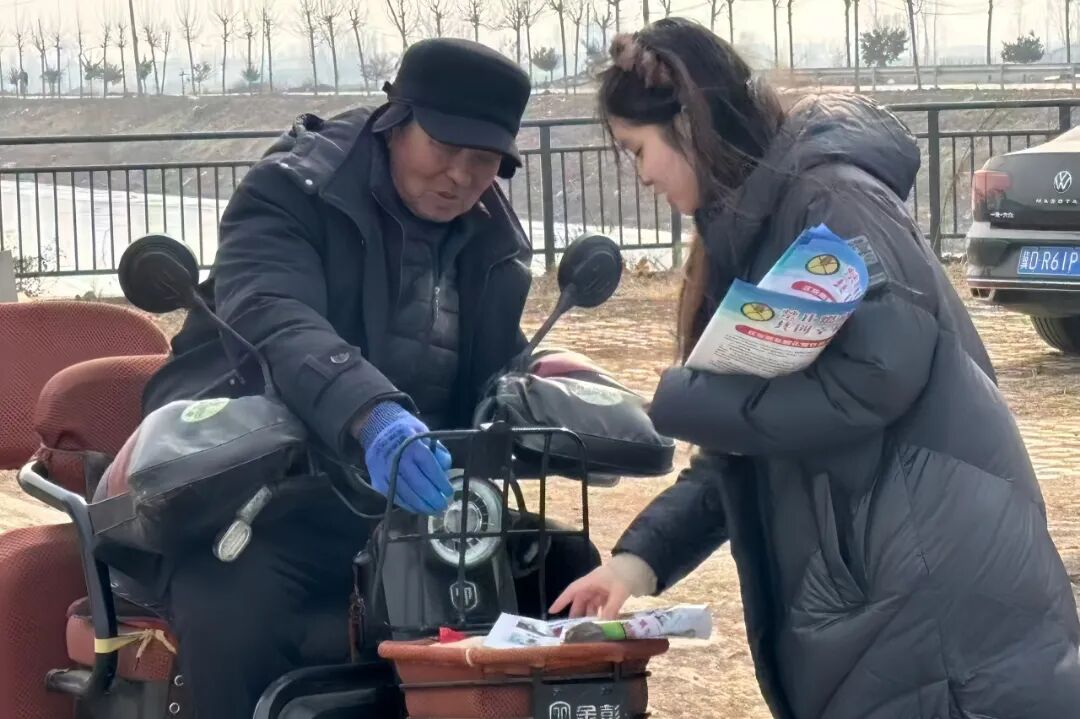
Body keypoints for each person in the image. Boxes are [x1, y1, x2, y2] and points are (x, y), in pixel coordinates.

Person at [552, 18, 1080, 719]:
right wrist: (637, 561)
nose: (643, 175)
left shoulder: (830, 200)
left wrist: (692, 402)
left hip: (932, 600)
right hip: (885, 598)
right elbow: (751, 438)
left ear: (689, 124)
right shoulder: (761, 223)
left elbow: (879, 371)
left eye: (638, 149)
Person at [135, 38, 538, 716]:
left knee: (559, 573)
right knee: (234, 608)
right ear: (395, 121)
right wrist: (370, 415)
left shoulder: (496, 239)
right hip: (264, 493)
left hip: (420, 505)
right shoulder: (290, 190)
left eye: (485, 160)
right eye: (445, 148)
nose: (461, 176)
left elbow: (499, 361)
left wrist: (537, 397)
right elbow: (273, 314)